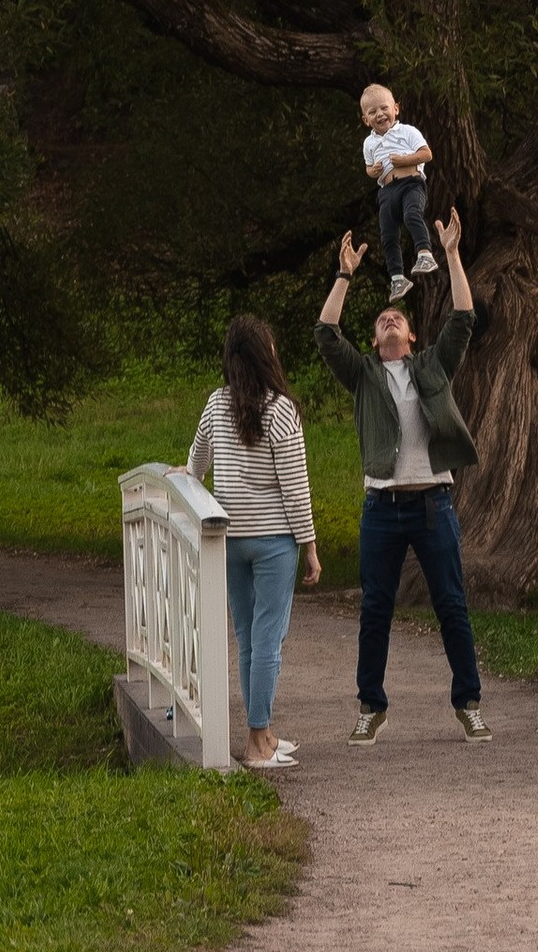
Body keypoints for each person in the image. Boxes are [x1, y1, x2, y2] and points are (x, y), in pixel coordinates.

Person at [314, 207, 491, 747]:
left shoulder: (433, 365)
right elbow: (325, 333)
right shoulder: (364, 376)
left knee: (452, 606)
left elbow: (463, 318)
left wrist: (454, 256)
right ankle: (371, 706)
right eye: (381, 321)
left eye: (397, 319)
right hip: (382, 509)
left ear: (412, 336)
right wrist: (343, 275)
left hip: (434, 503)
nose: (389, 320)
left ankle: (469, 704)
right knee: (375, 610)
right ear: (373, 341)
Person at [187, 314, 321, 768]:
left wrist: (185, 479)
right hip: (273, 542)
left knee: (247, 638)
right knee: (269, 640)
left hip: (229, 538)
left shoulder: (215, 404)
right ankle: (257, 741)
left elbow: (196, 462)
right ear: (268, 356)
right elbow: (294, 486)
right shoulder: (282, 410)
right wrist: (312, 546)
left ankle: (263, 733)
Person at [358, 82, 438, 299]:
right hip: (386, 191)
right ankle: (397, 279)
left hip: (411, 183)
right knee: (388, 234)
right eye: (373, 112)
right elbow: (368, 168)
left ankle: (425, 253)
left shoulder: (407, 131)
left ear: (396, 108)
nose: (380, 114)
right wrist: (373, 171)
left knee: (412, 215)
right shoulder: (369, 143)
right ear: (366, 120)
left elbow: (426, 154)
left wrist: (404, 160)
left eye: (384, 108)